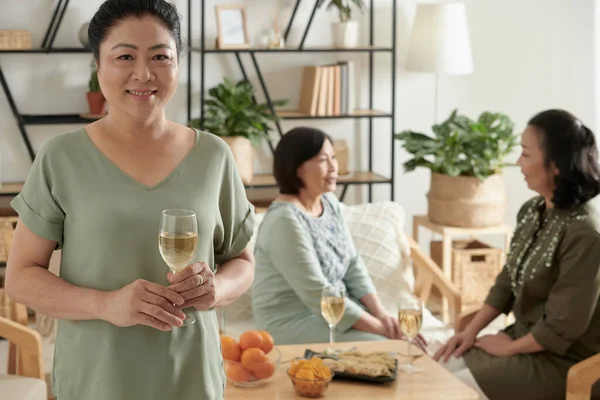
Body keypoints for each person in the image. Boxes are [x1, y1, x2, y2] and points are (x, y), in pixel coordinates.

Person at [5, 1, 255, 399]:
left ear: (177, 63)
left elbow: (241, 262)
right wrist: (105, 305)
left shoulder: (213, 156)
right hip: (96, 381)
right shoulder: (62, 158)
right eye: (125, 56)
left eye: (160, 56)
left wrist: (217, 290)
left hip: (192, 379)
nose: (144, 73)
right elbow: (20, 279)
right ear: (98, 66)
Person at [433, 109, 600, 400]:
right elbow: (507, 281)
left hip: (563, 361)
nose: (517, 163)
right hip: (522, 339)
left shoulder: (585, 234)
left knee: (449, 390)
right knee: (438, 369)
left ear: (557, 165)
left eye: (525, 154)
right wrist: (470, 332)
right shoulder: (533, 211)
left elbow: (563, 326)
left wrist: (509, 347)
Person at [252, 127, 420, 346]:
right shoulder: (284, 221)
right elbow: (318, 293)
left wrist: (383, 317)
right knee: (391, 347)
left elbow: (352, 265)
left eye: (334, 158)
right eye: (323, 160)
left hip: (333, 312)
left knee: (399, 344)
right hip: (293, 321)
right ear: (296, 168)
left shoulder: (329, 202)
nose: (333, 167)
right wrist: (382, 331)